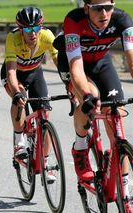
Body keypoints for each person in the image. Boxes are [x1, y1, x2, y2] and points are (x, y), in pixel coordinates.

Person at [53, 0, 133, 198]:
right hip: (74, 63)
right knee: (92, 98)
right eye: (98, 8)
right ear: (87, 8)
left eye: (108, 7)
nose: (104, 13)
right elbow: (76, 67)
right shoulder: (74, 20)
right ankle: (80, 147)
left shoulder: (122, 20)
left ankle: (124, 183)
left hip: (101, 62)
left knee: (116, 113)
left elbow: (132, 58)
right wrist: (86, 95)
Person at [1, 7, 58, 170]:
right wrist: (16, 92)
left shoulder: (47, 36)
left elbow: (59, 63)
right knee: (20, 100)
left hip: (34, 73)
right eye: (27, 29)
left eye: (36, 28)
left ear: (41, 27)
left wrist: (71, 84)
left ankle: (45, 160)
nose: (32, 33)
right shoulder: (13, 38)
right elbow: (11, 70)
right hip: (14, 75)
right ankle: (19, 142)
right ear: (20, 29)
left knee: (45, 115)